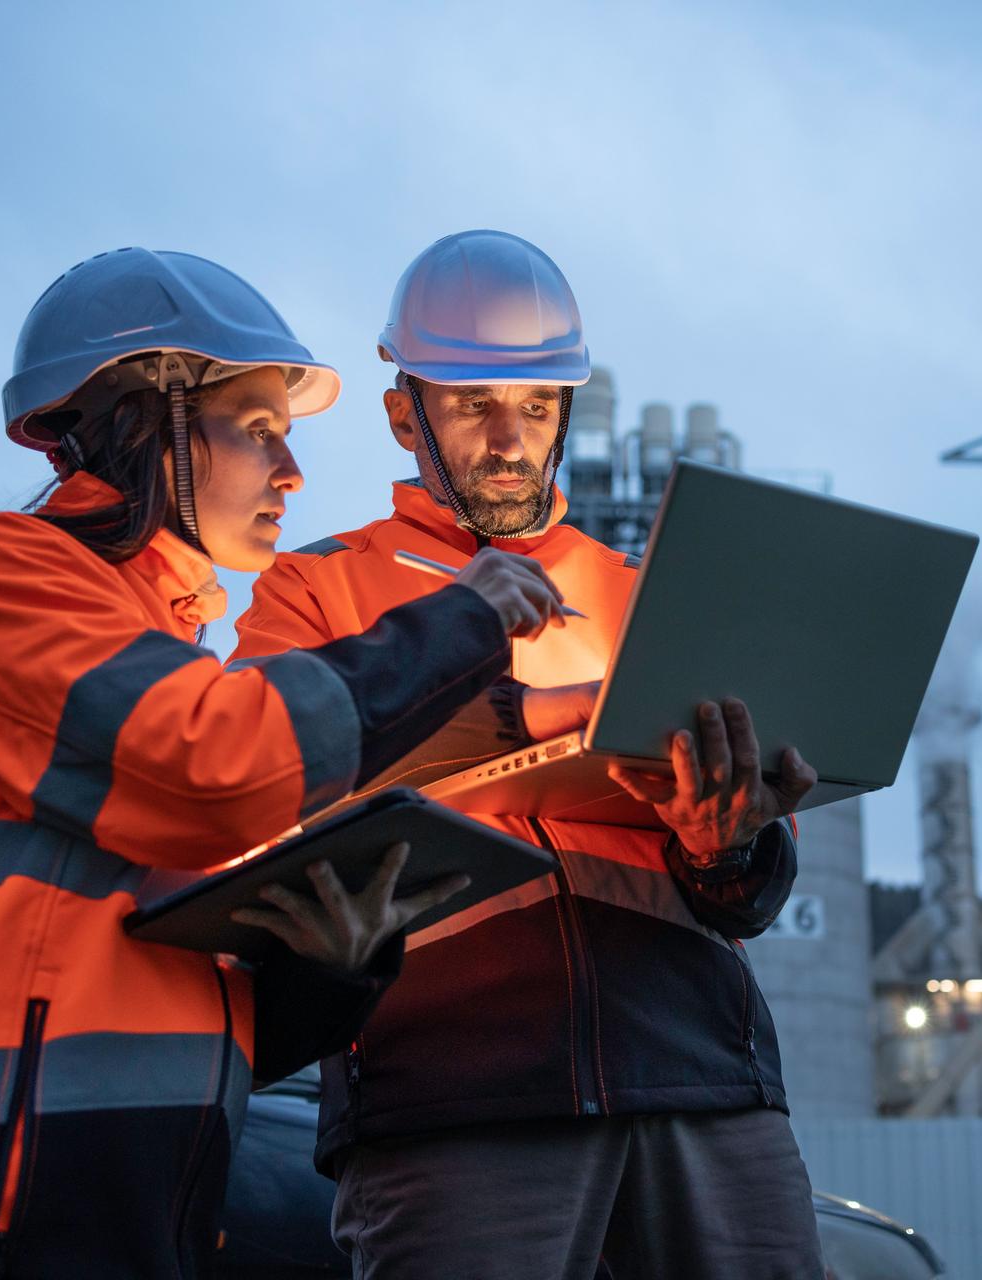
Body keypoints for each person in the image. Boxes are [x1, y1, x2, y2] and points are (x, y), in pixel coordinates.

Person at [0, 247, 570, 1280]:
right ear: (152, 422)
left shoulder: (171, 656)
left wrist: (332, 960)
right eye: (258, 430)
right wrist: (464, 616)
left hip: (133, 1205)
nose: (292, 473)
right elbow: (217, 762)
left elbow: (201, 1007)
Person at [231, 230, 827, 1279]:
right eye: (472, 403)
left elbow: (741, 895)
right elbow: (261, 785)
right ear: (401, 411)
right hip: (455, 1094)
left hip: (701, 1078)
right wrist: (524, 706)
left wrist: (728, 839)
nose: (511, 438)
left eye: (538, 404)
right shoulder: (317, 593)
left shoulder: (645, 592)